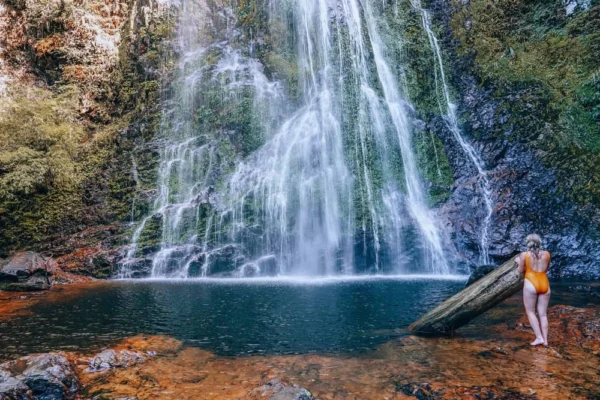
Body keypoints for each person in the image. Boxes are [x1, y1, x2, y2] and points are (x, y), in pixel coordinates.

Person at [516, 234, 551, 346]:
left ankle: (539, 337)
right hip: (544, 284)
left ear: (528, 243)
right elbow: (546, 268)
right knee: (543, 314)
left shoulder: (524, 255)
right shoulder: (547, 254)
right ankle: (545, 341)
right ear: (539, 242)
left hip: (531, 284)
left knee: (530, 312)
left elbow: (521, 271)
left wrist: (518, 262)